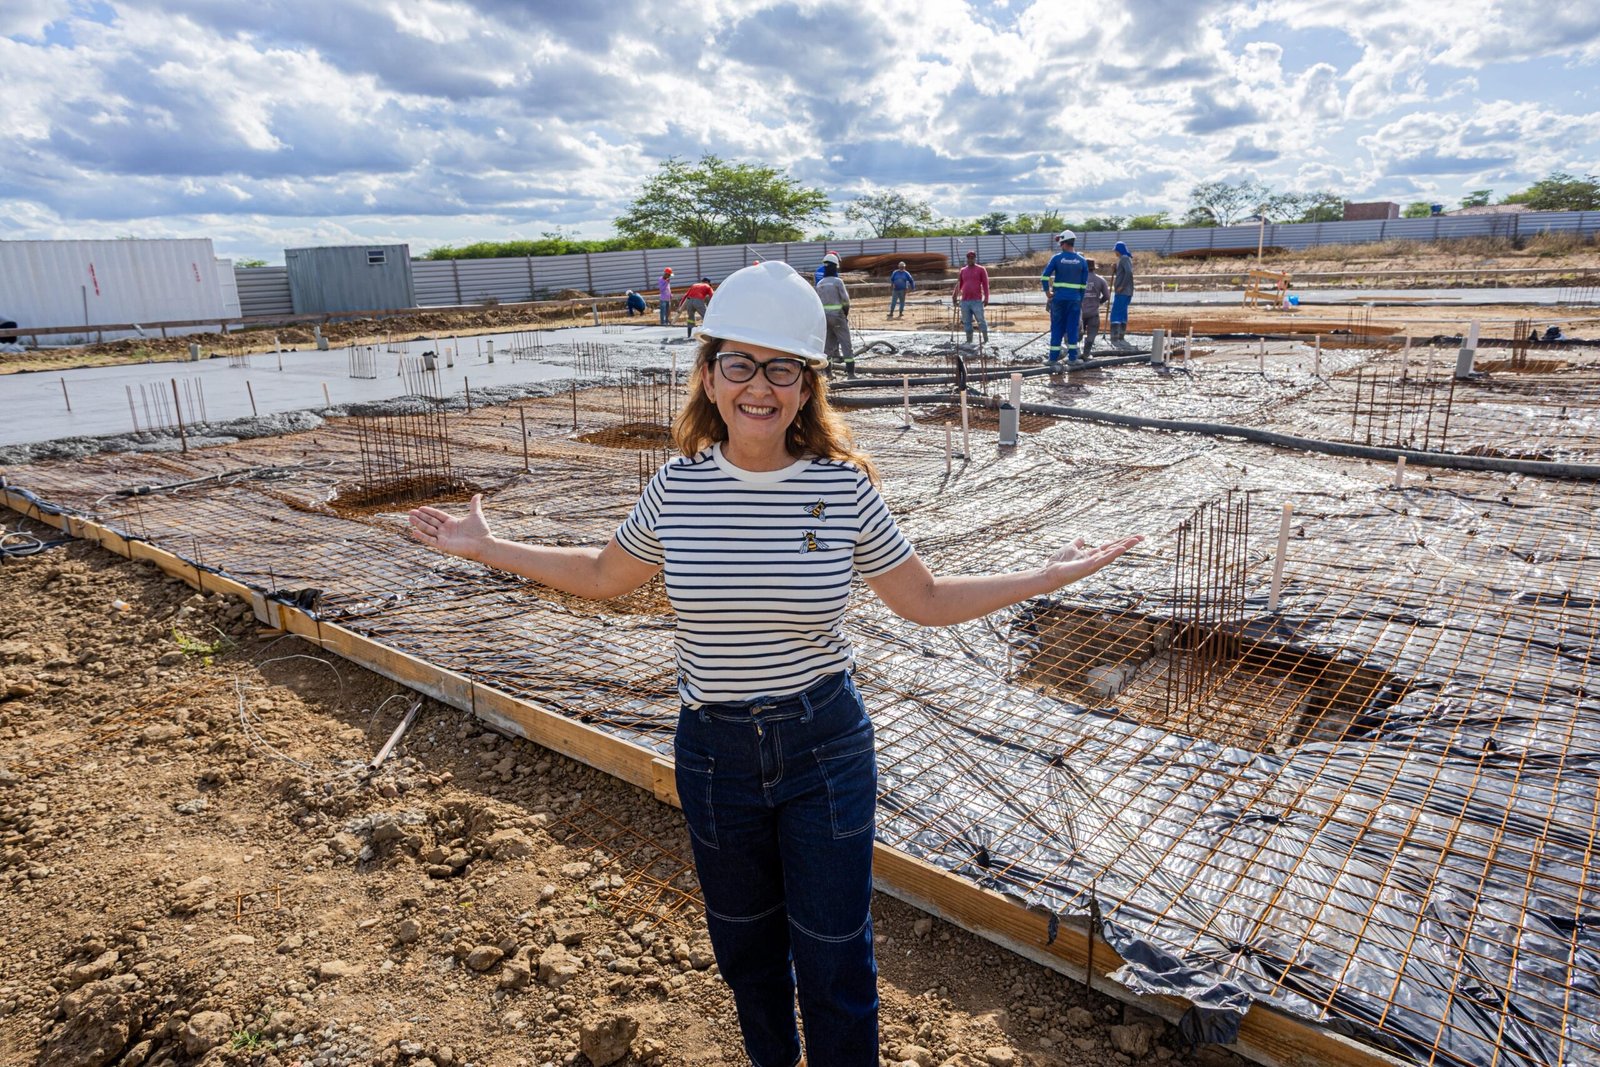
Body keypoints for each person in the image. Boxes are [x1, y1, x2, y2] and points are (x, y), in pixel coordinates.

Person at [406, 259, 1142, 1067]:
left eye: (782, 367)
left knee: (835, 956)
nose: (761, 385)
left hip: (822, 747)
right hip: (715, 752)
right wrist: (489, 547)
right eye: (740, 364)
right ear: (711, 377)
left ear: (806, 384)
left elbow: (923, 599)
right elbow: (600, 574)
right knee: (747, 955)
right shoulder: (677, 487)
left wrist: (1046, 576)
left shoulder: (842, 489)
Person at [1040, 231, 1089, 364]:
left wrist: (1047, 293)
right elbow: (1084, 285)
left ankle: (1053, 359)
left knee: (1057, 327)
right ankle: (1073, 358)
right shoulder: (1082, 261)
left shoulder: (1056, 258)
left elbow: (1044, 277)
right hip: (1074, 300)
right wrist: (1080, 300)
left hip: (1058, 300)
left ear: (1063, 243)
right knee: (1072, 328)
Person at [816, 256, 855, 378]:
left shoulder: (820, 283)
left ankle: (828, 374)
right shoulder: (838, 282)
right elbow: (845, 300)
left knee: (828, 346)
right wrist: (845, 314)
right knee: (846, 344)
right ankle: (850, 374)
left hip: (825, 318)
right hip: (838, 316)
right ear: (835, 267)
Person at [952, 250, 989, 346]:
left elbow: (985, 284)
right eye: (969, 258)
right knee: (966, 321)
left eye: (972, 258)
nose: (970, 260)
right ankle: (969, 340)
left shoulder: (981, 269)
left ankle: (985, 340)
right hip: (965, 301)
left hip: (976, 300)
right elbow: (959, 284)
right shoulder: (963, 270)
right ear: (967, 259)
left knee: (981, 320)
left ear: (975, 259)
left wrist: (986, 297)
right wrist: (954, 295)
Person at [1080, 258, 1110, 358]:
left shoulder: (1078, 279)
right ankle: (1086, 354)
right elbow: (1107, 296)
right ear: (1094, 268)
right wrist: (1099, 302)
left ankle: (1075, 354)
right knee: (1091, 334)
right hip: (1093, 312)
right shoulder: (1100, 280)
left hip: (1079, 312)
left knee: (1076, 334)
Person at [1110, 241, 1134, 347]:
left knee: (1116, 313)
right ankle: (1120, 336)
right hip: (1125, 291)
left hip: (1123, 291)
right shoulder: (1123, 259)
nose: (1115, 252)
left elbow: (1128, 273)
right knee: (1122, 314)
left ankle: (1115, 337)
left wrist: (1122, 286)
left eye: (1115, 250)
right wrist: (1116, 270)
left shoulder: (1124, 258)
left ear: (1119, 250)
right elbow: (1123, 273)